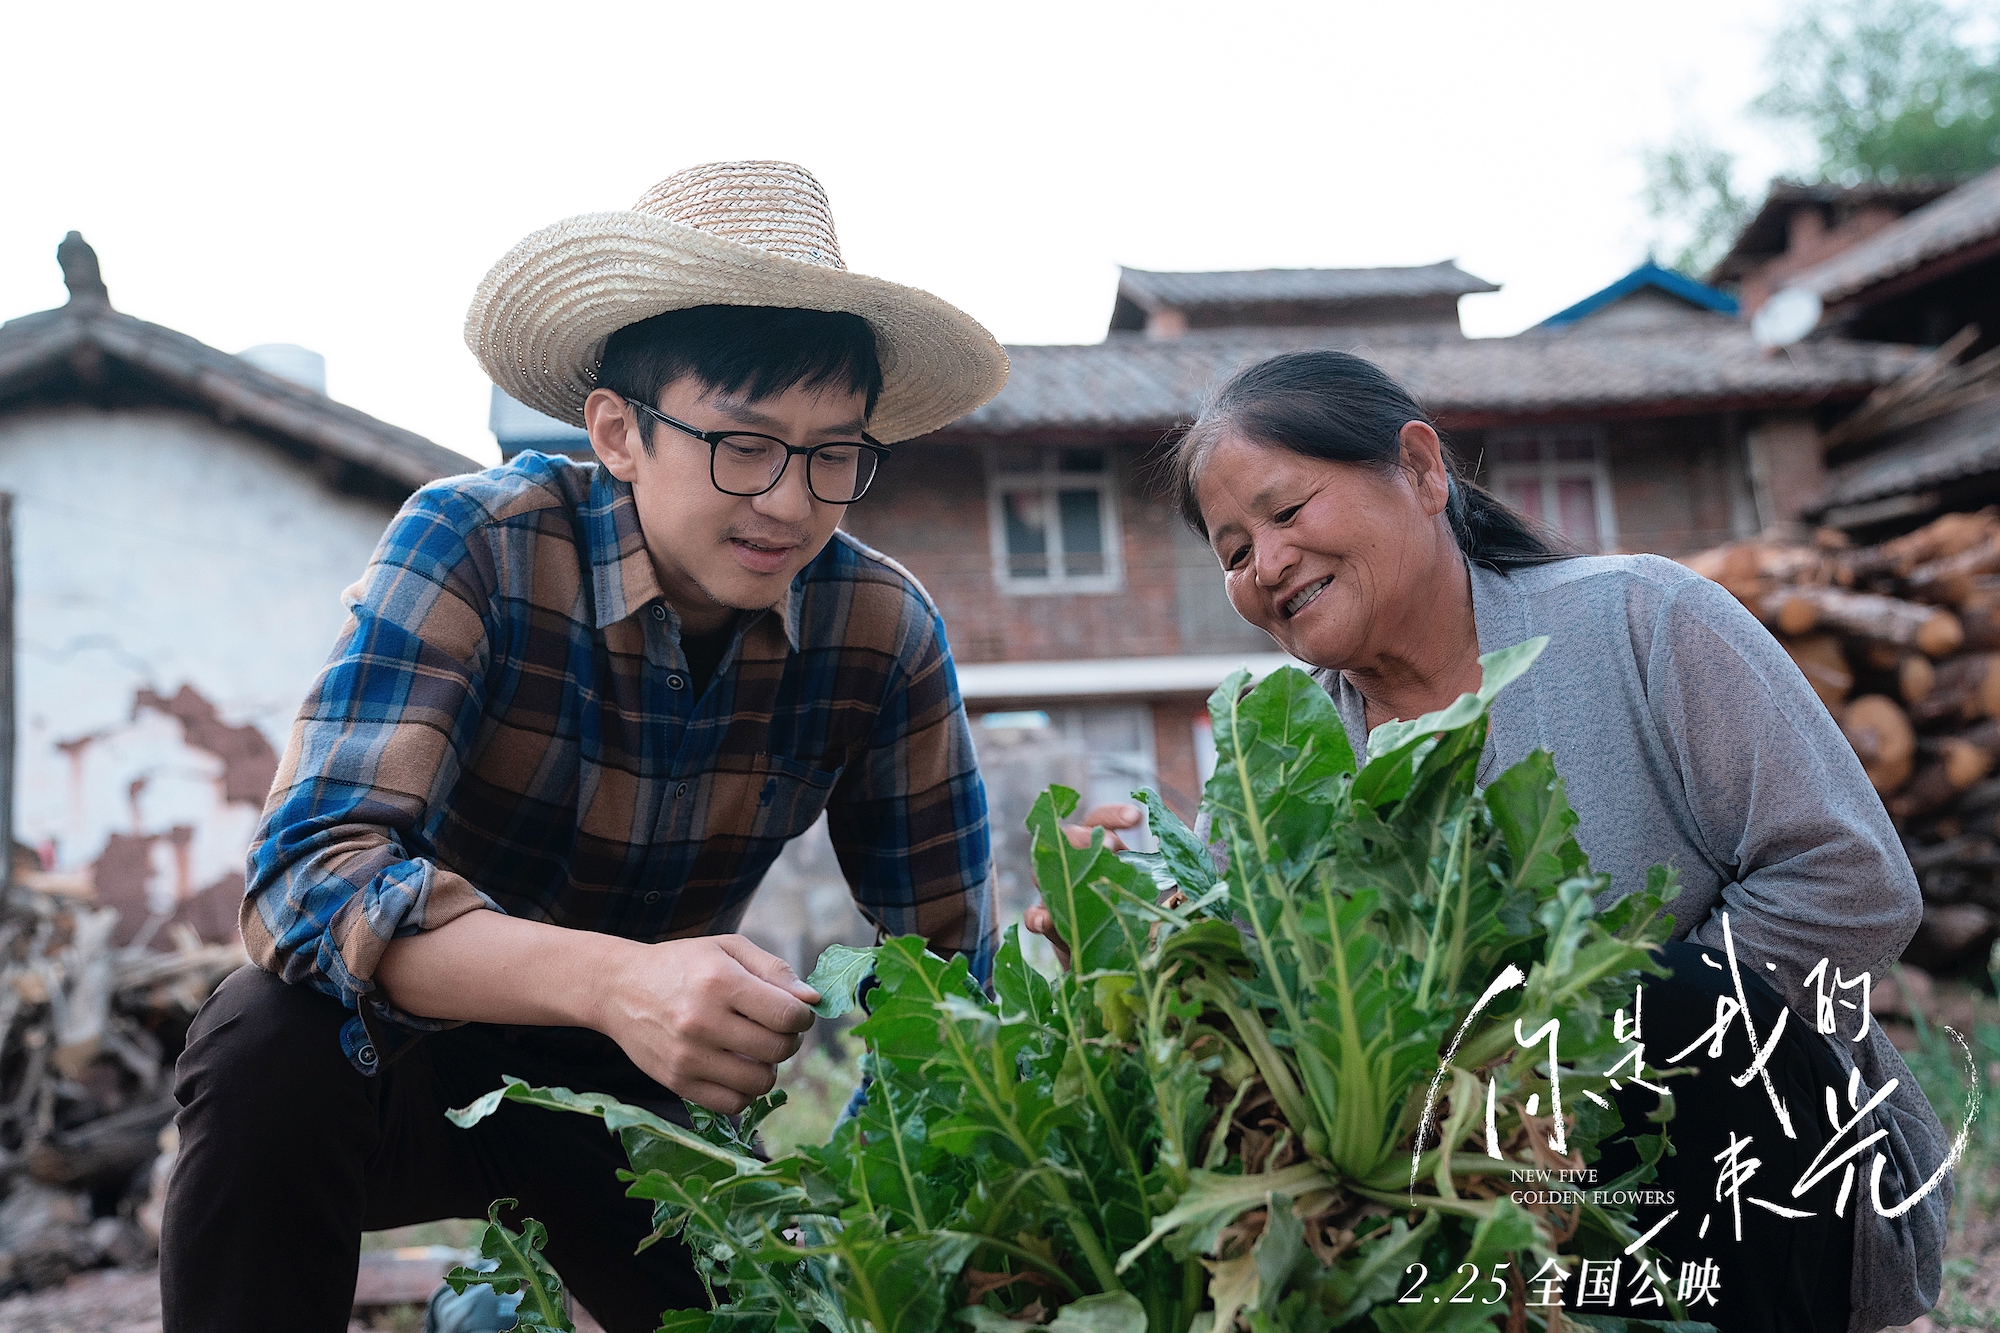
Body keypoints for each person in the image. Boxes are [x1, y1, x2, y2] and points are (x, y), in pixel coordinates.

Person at [161, 161, 1010, 1333]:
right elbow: (306, 878)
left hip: (640, 1098)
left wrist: (871, 1199)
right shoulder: (477, 542)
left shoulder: (880, 629)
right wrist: (617, 980)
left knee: (774, 1312)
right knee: (262, 1042)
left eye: (831, 455)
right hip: (395, 1063)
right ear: (618, 430)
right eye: (744, 445)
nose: (786, 502)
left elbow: (948, 965)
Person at [1030, 349, 1951, 1333]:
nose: (1263, 563)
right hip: (1453, 1219)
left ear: (1421, 471)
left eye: (1286, 511)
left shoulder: (1643, 620)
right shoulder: (1277, 760)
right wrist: (1121, 941)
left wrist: (1556, 1048)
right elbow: (1252, 1019)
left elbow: (1854, 886)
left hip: (1750, 1188)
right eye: (1230, 549)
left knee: (1664, 996)